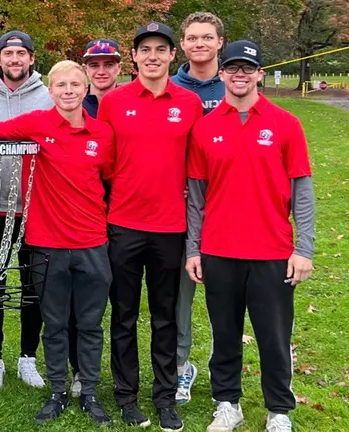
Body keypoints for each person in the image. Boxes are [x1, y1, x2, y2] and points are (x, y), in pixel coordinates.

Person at [0, 60, 115, 426]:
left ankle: (90, 390)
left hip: (92, 243)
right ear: (49, 91)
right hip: (47, 244)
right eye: (61, 85)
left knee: (90, 324)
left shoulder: (103, 134)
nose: (68, 91)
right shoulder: (36, 124)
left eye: (74, 85)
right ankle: (56, 391)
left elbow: (111, 179)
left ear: (85, 90)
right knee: (53, 323)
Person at [186, 40, 315, 432]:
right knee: (224, 334)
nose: (240, 75)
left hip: (272, 251)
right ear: (221, 73)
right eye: (233, 68)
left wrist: (303, 248)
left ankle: (279, 410)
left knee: (274, 337)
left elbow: (302, 191)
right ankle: (228, 404)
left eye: (248, 68)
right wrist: (193, 249)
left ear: (260, 74)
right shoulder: (204, 128)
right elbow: (195, 197)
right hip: (219, 250)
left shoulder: (285, 124)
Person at [97, 21, 203, 431]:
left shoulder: (189, 103)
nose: (153, 56)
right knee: (123, 315)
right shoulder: (114, 102)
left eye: (161, 48)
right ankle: (126, 395)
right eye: (146, 49)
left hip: (170, 227)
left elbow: (197, 167)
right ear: (135, 57)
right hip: (123, 223)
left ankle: (165, 395)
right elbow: (104, 163)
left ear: (172, 55)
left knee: (165, 317)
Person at [0, 29, 53, 392]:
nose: (15, 60)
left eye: (22, 54)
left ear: (32, 59)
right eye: (9, 54)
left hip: (38, 208)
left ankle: (27, 357)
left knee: (34, 287)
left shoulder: (50, 99)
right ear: (0, 60)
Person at [62, 36, 123, 399]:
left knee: (119, 304)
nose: (101, 70)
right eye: (94, 64)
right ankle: (78, 372)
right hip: (81, 220)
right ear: (86, 70)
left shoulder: (129, 102)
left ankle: (119, 372)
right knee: (78, 305)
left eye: (108, 64)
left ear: (119, 67)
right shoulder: (73, 102)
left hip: (123, 213)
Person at [171, 13, 226, 404]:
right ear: (184, 45)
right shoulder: (171, 87)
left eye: (207, 37)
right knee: (180, 297)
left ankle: (224, 370)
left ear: (220, 42)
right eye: (192, 38)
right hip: (181, 207)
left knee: (227, 296)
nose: (200, 43)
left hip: (228, 207)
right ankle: (179, 367)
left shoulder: (237, 83)